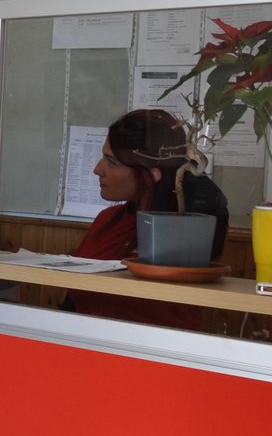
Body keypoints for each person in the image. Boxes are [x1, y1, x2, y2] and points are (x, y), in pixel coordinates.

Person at [69, 108, 229, 328]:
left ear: (153, 173)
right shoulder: (107, 220)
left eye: (112, 162)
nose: (98, 169)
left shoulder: (185, 231)